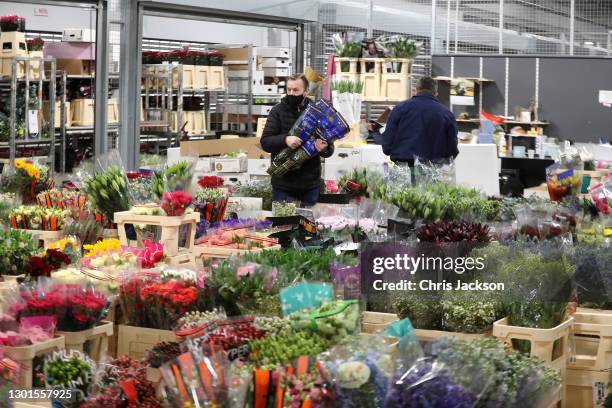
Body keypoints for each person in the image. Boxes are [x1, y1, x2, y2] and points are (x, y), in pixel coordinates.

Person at [260, 74, 334, 206]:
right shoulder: (277, 111)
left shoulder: (317, 112)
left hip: (310, 184)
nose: (291, 93)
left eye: (296, 90)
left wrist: (325, 148)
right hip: (283, 184)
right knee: (284, 224)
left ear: (306, 91)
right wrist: (285, 140)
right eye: (289, 90)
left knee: (309, 224)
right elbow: (265, 142)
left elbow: (329, 147)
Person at [370, 76, 459, 167]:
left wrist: (376, 133)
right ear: (436, 93)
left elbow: (387, 146)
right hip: (434, 172)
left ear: (416, 90)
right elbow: (452, 150)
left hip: (403, 170)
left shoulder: (399, 109)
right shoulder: (447, 115)